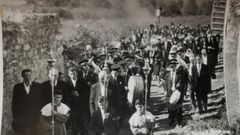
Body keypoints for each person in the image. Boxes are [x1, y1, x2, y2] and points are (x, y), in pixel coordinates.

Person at [12, 69, 42, 135]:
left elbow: (40, 100)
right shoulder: (17, 87)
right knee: (23, 132)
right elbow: (14, 103)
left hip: (34, 115)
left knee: (34, 131)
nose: (28, 77)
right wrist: (15, 117)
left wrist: (40, 113)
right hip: (22, 116)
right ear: (22, 76)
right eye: (26, 75)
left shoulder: (37, 86)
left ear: (31, 76)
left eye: (29, 75)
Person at [67, 67, 90, 135]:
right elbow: (66, 95)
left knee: (83, 126)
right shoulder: (67, 83)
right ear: (68, 74)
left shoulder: (83, 82)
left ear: (76, 73)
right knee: (74, 127)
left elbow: (87, 93)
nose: (73, 75)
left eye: (74, 74)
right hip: (73, 108)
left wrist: (79, 94)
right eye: (71, 74)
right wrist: (71, 95)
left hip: (82, 108)